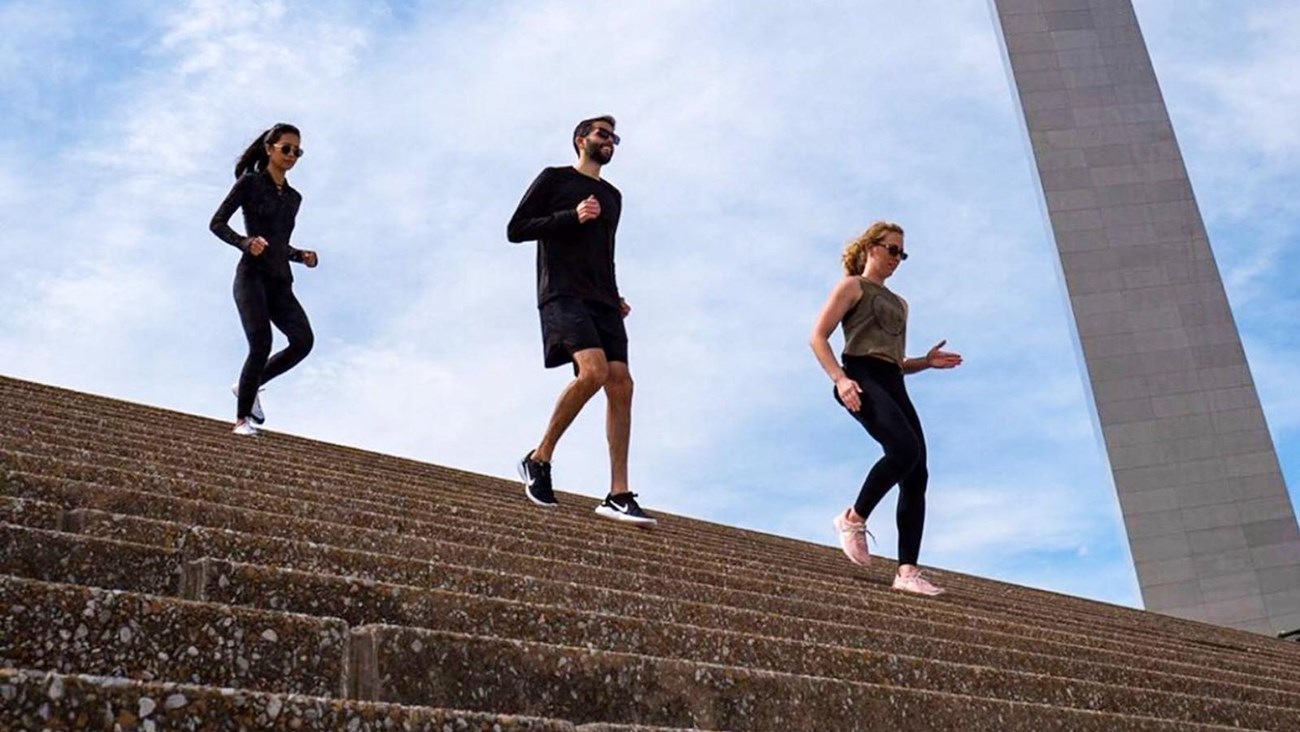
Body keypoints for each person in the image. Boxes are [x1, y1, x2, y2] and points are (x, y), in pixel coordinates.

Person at [506, 115, 655, 526]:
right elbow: (516, 229)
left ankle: (618, 493)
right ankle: (539, 458)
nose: (610, 142)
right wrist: (571, 216)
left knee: (622, 383)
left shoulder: (614, 196)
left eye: (614, 137)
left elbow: (603, 251)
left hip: (602, 298)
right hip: (562, 292)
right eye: (602, 134)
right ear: (580, 140)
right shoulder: (554, 179)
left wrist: (615, 293)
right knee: (593, 371)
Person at [809, 221, 962, 595]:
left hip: (892, 380)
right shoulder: (851, 286)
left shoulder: (899, 303)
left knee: (918, 472)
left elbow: (893, 360)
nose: (897, 258)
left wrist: (925, 361)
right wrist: (840, 380)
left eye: (902, 253)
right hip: (860, 376)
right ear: (870, 247)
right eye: (891, 249)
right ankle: (852, 518)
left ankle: (907, 572)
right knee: (903, 450)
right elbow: (817, 337)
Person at [209, 123, 318, 436]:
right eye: (286, 149)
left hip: (280, 281)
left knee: (303, 341)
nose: (292, 155)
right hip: (251, 276)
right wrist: (246, 242)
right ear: (270, 149)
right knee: (261, 343)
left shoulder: (294, 198)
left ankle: (250, 383)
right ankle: (242, 420)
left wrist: (301, 255)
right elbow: (216, 223)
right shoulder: (250, 183)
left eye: (297, 151)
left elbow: (280, 244)